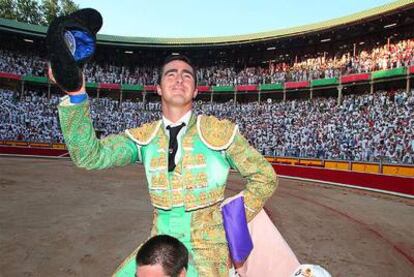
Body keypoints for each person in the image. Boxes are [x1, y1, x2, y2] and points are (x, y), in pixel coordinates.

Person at [54, 54, 278, 276]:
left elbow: (265, 177)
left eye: (186, 75)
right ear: (159, 88)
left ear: (196, 90)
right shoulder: (145, 137)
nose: (179, 79)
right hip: (159, 247)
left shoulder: (219, 132)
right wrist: (76, 95)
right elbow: (90, 156)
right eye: (171, 74)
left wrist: (228, 221)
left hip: (207, 251)